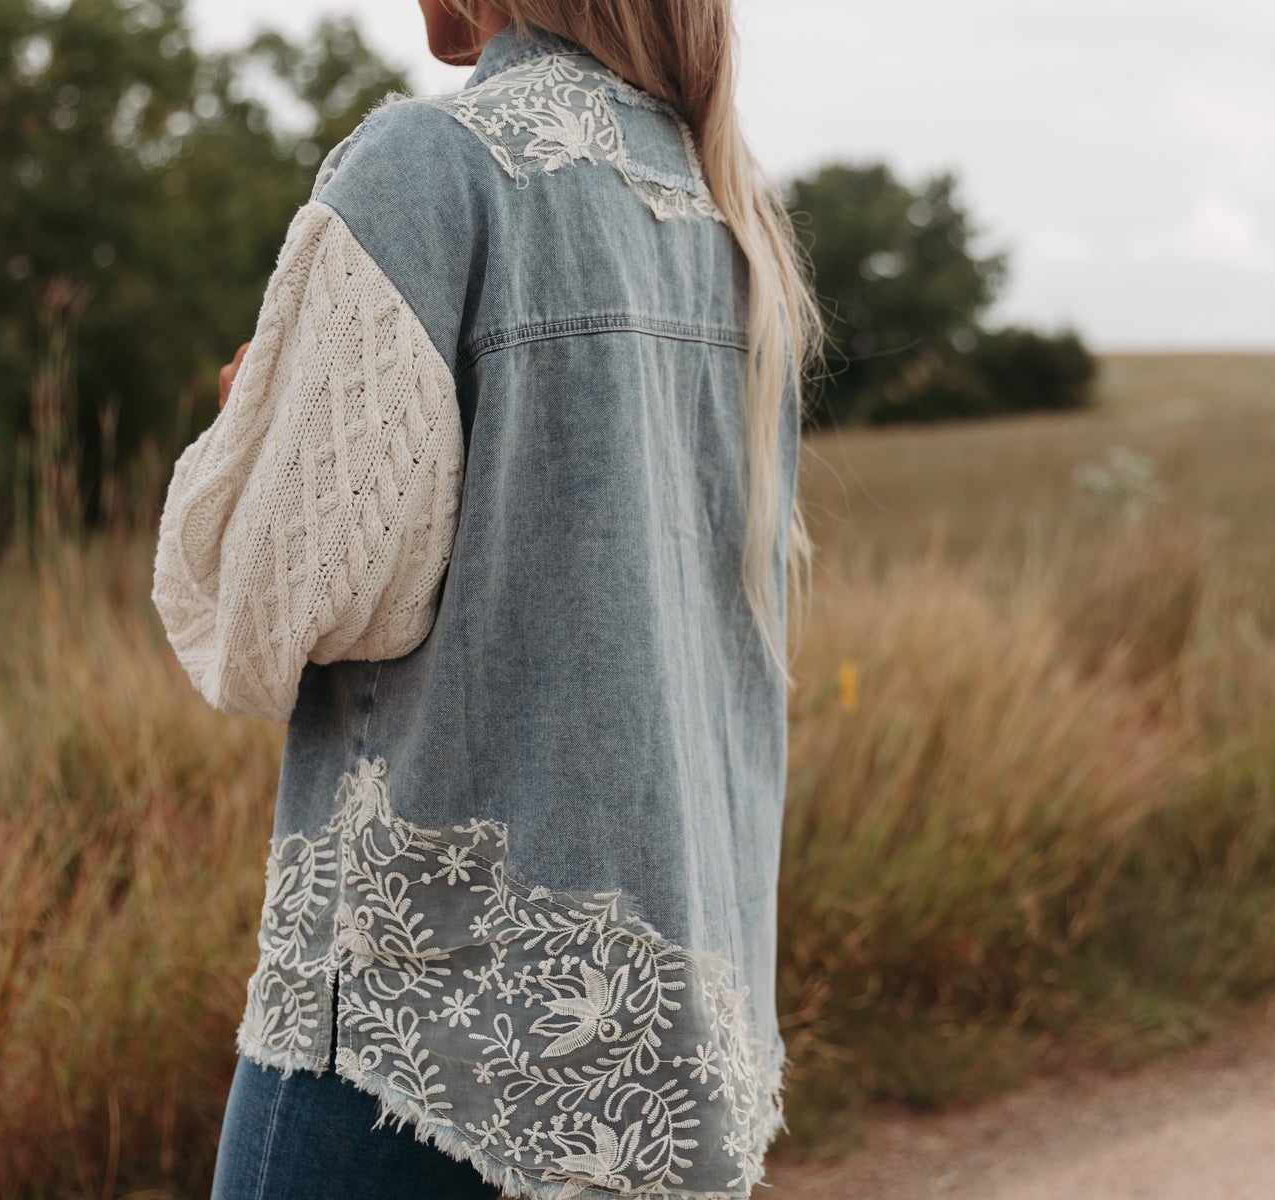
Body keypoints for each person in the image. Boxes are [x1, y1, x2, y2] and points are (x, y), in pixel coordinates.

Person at [151, 2, 819, 1197]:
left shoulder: (433, 171)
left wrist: (252, 436)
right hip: (667, 1075)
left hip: (424, 1047)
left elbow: (259, 623)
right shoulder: (727, 212)